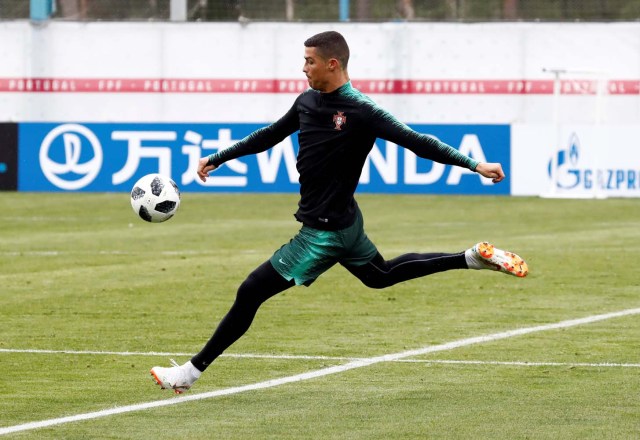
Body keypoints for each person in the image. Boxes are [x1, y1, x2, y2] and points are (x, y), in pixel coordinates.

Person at [150, 31, 528, 393]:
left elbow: (418, 143)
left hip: (322, 233)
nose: (303, 68)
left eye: (309, 61)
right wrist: (218, 157)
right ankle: (469, 258)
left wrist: (475, 165)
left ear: (332, 64)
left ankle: (188, 373)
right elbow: (268, 135)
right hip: (346, 222)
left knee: (250, 291)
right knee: (380, 276)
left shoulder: (362, 110)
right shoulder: (306, 102)